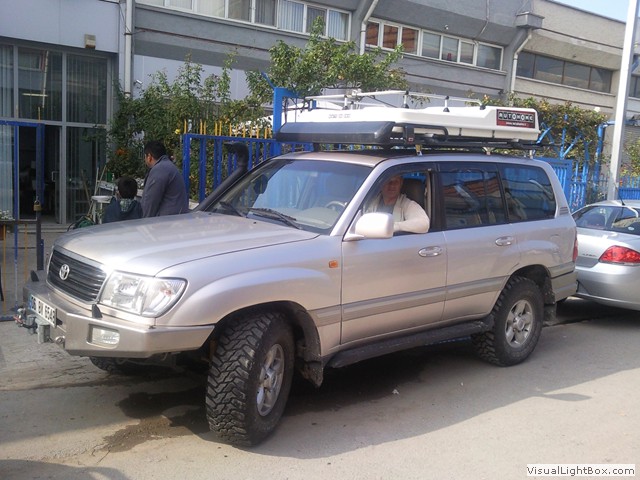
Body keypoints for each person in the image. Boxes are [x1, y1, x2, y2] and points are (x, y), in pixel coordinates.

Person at [365, 175, 430, 233]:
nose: (392, 185)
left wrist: (395, 226)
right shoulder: (369, 202)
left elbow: (424, 224)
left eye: (396, 181)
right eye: (388, 181)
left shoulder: (407, 204)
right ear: (381, 183)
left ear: (401, 183)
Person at [141, 140, 189, 217]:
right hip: (174, 218)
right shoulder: (167, 166)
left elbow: (150, 201)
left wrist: (144, 222)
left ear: (149, 157)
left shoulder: (160, 169)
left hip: (167, 221)